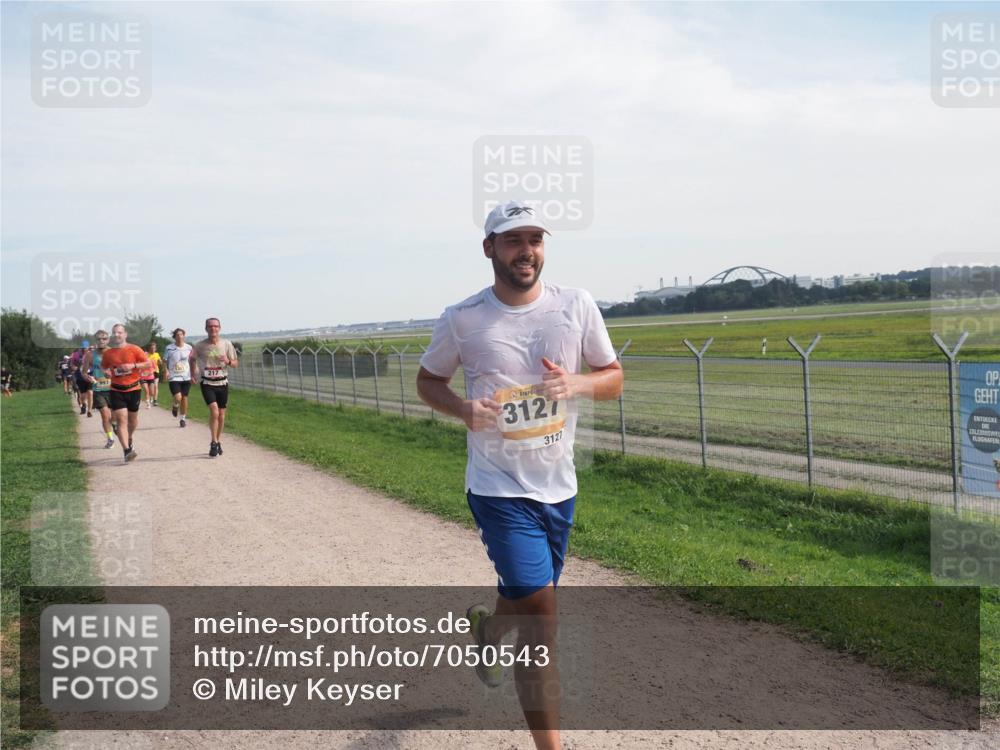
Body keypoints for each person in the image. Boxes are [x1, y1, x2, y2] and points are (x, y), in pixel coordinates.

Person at [416, 201, 623, 750]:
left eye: (534, 239)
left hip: (559, 486)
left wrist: (577, 385)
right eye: (513, 240)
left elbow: (613, 377)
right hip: (498, 487)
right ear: (489, 248)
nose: (526, 251)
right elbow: (428, 381)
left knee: (530, 597)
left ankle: (488, 630)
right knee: (541, 619)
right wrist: (463, 409)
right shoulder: (463, 318)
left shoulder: (575, 305)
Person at [101, 323, 152, 463]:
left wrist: (133, 365)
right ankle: (127, 451)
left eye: (119, 332)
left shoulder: (134, 349)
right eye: (114, 332)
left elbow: (148, 364)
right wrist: (106, 372)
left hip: (134, 389)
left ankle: (129, 437)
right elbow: (104, 366)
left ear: (125, 334)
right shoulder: (108, 353)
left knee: (132, 421)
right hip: (116, 390)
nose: (117, 335)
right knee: (121, 420)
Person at [192, 317, 238, 457]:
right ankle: (213, 442)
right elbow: (192, 358)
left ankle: (218, 441)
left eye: (216, 326)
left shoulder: (226, 344)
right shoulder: (199, 345)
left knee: (222, 415)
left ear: (220, 328)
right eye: (210, 326)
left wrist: (228, 361)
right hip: (207, 383)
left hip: (222, 382)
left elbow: (235, 363)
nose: (213, 328)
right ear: (206, 329)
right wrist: (193, 373)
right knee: (214, 411)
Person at [82, 330, 117, 449]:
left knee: (115, 416)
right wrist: (88, 377)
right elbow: (84, 372)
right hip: (98, 389)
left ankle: (114, 423)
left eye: (104, 339)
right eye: (99, 339)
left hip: (114, 388)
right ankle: (110, 439)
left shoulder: (114, 353)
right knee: (105, 415)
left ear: (108, 340)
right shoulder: (90, 355)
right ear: (95, 340)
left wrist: (113, 374)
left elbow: (121, 369)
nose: (101, 341)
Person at [163, 328, 194, 427]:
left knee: (184, 398)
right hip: (174, 377)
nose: (180, 336)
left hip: (186, 376)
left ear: (184, 336)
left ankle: (183, 419)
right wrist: (166, 370)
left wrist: (194, 373)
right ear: (174, 337)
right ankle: (175, 405)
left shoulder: (189, 348)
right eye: (177, 335)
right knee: (178, 397)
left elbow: (193, 361)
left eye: (181, 334)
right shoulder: (169, 348)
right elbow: (164, 361)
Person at [71, 341, 93, 417]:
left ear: (88, 347)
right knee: (83, 395)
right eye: (83, 348)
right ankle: (84, 404)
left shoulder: (92, 354)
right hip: (80, 377)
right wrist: (73, 367)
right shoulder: (76, 355)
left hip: (90, 376)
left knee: (90, 392)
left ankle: (89, 411)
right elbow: (72, 364)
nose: (84, 349)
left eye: (85, 348)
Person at [141, 342, 162, 408]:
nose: (153, 349)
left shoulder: (157, 354)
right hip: (147, 373)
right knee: (147, 389)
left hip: (155, 371)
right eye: (151, 348)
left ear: (156, 349)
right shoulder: (146, 354)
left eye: (154, 348)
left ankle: (154, 400)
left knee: (155, 386)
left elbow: (160, 361)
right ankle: (149, 399)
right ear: (149, 348)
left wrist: (160, 362)